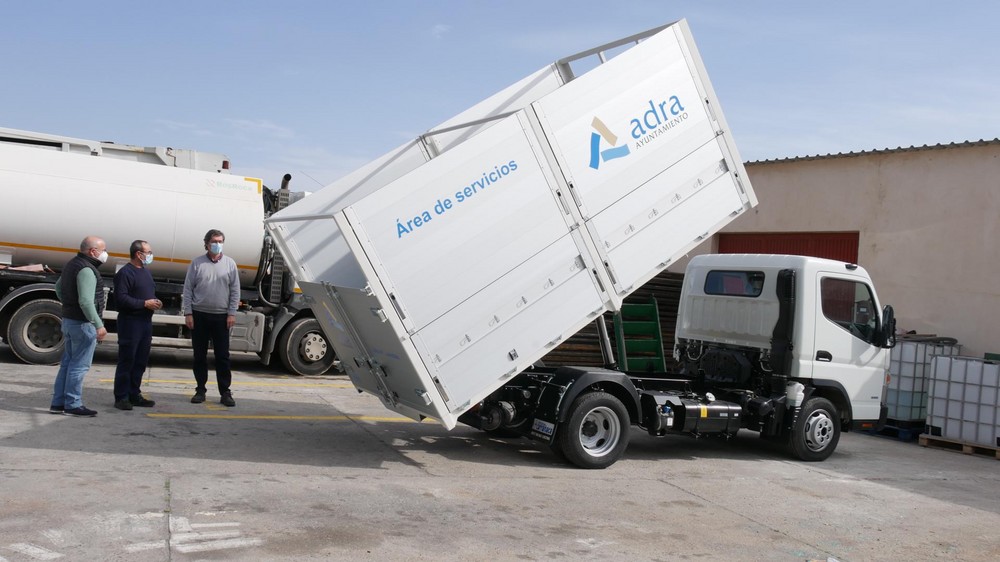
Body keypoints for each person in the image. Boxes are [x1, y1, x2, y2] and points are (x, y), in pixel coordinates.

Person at [49, 236, 109, 417]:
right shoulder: (87, 270)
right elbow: (85, 301)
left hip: (69, 321)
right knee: (79, 366)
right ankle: (73, 404)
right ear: (93, 252)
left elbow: (59, 289)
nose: (106, 253)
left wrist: (69, 305)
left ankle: (58, 403)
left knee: (67, 364)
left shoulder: (71, 264)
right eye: (103, 250)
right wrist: (98, 325)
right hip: (83, 324)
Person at [182, 229, 240, 407]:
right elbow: (188, 289)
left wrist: (231, 313)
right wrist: (188, 313)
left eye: (221, 241)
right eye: (214, 241)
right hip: (199, 315)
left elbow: (235, 290)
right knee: (199, 355)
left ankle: (225, 392)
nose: (218, 244)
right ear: (206, 243)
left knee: (222, 356)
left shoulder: (230, 264)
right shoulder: (197, 263)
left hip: (221, 317)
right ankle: (200, 390)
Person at [112, 240, 162, 411]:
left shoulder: (145, 272)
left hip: (145, 322)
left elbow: (147, 294)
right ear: (138, 254)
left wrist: (154, 302)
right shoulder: (125, 273)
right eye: (148, 252)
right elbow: (121, 299)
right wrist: (144, 303)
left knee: (141, 360)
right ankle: (121, 397)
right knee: (127, 359)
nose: (150, 255)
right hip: (130, 322)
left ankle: (134, 393)